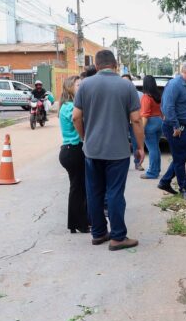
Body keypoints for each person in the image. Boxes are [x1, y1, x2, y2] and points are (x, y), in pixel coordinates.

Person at [72, 50, 144, 251]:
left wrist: (85, 137)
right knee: (114, 193)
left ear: (96, 65)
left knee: (94, 192)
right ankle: (118, 237)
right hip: (118, 151)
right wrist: (140, 146)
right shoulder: (126, 86)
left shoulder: (85, 85)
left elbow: (76, 117)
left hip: (92, 150)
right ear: (115, 65)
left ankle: (98, 233)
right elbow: (136, 119)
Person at [158, 61, 186, 200]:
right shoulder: (175, 85)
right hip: (176, 127)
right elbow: (168, 107)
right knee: (180, 158)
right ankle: (184, 189)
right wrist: (175, 126)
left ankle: (165, 181)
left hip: (184, 126)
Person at [58, 75, 89, 234]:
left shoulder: (68, 105)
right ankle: (79, 223)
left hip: (71, 150)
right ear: (70, 88)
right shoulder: (70, 107)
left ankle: (78, 222)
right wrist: (84, 137)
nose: (81, 87)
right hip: (74, 150)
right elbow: (79, 119)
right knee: (78, 188)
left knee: (79, 187)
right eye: (78, 85)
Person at [139, 75, 164, 180]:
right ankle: (156, 170)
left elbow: (145, 115)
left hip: (150, 123)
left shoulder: (146, 97)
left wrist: (141, 129)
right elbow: (162, 111)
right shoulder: (157, 96)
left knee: (152, 149)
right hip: (159, 121)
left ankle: (152, 173)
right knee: (155, 148)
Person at [122, 73, 144, 171]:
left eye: (127, 81)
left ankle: (138, 163)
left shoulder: (139, 94)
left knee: (136, 143)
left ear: (131, 82)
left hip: (134, 122)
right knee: (121, 142)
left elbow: (142, 110)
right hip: (122, 122)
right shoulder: (118, 93)